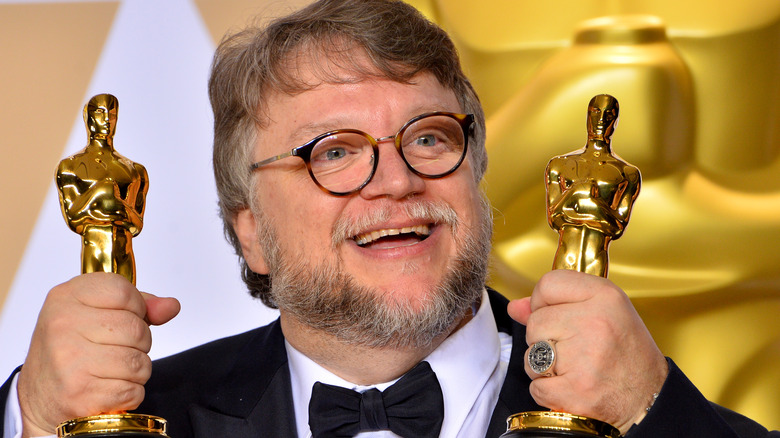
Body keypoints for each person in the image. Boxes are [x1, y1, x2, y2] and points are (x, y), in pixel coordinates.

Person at [1, 1, 776, 437]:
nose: (397, 181)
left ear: (474, 173)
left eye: (429, 138)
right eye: (334, 153)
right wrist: (29, 416)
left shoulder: (640, 410)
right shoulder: (144, 419)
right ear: (250, 232)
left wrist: (657, 418)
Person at [55, 93, 148, 285]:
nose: (106, 119)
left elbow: (136, 225)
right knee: (94, 304)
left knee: (126, 306)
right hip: (94, 248)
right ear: (88, 117)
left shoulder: (134, 170)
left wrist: (113, 205)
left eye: (112, 114)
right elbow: (74, 218)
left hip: (124, 254)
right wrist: (101, 192)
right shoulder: (71, 166)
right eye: (99, 112)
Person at [546, 94, 640, 277]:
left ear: (616, 121)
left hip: (596, 261)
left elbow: (617, 226)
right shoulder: (560, 165)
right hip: (565, 258)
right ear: (588, 116)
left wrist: (585, 201)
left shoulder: (627, 173)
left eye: (609, 115)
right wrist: (578, 191)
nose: (601, 120)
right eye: (596, 112)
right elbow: (555, 217)